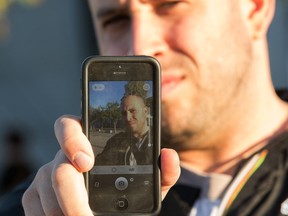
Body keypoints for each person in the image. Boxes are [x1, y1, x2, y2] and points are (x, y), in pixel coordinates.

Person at [7, 0, 288, 215]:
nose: (139, 46)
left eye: (169, 5)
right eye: (116, 20)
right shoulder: (38, 204)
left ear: (255, 8)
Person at [95, 94, 153, 166]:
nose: (128, 118)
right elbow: (100, 166)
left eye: (132, 111)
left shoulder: (161, 140)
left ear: (145, 111)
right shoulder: (115, 141)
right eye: (123, 113)